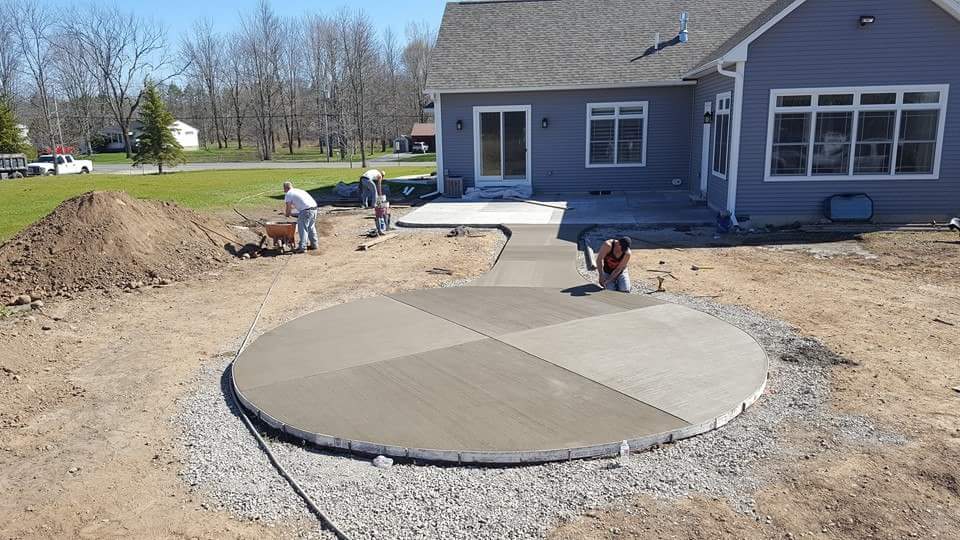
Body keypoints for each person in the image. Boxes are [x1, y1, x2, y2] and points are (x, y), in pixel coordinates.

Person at [283, 181, 318, 253]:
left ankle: (303, 247)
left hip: (306, 210)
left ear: (285, 188)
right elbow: (299, 203)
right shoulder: (299, 190)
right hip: (314, 209)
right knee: (311, 227)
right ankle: (314, 245)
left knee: (303, 229)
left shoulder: (288, 194)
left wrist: (287, 214)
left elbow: (288, 208)